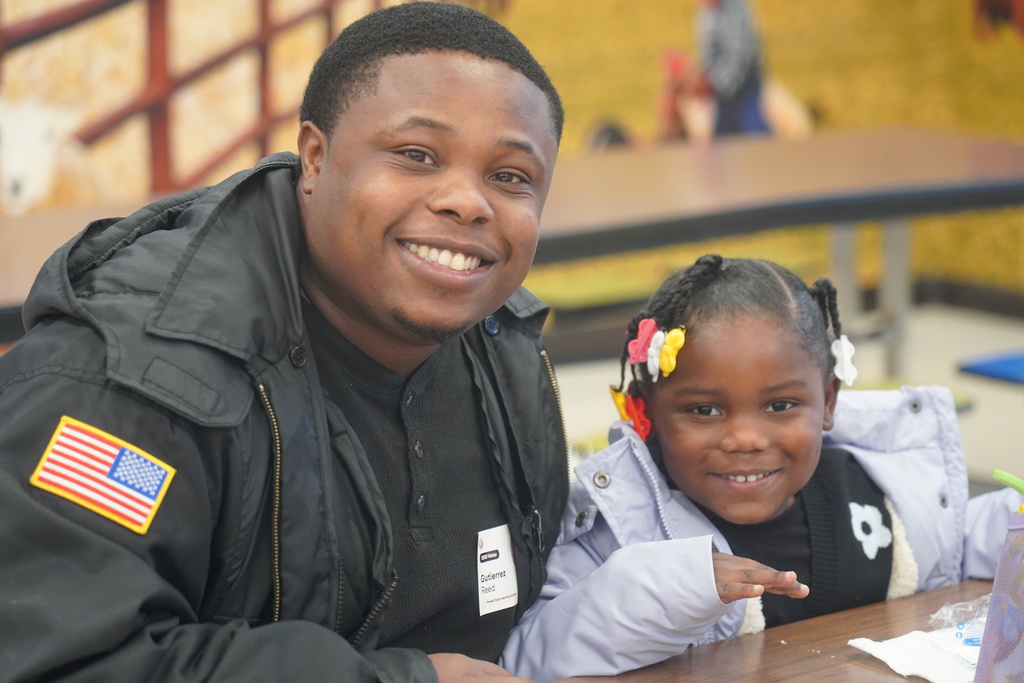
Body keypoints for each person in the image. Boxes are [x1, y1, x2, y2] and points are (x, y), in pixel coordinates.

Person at [0, 4, 570, 682]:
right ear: (315, 157)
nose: (467, 202)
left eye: (511, 177)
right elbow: (62, 660)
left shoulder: (507, 352)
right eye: (417, 155)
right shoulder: (129, 378)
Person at [500, 254, 1024, 681]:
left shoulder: (886, 492)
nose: (746, 439)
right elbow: (531, 657)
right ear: (646, 412)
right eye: (704, 410)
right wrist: (673, 586)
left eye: (779, 406)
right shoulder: (613, 532)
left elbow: (958, 543)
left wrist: (1012, 522)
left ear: (828, 401)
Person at [695, 0, 772, 137]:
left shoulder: (734, 9)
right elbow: (707, 51)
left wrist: (715, 81)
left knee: (752, 125)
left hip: (744, 79)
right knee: (723, 131)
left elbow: (740, 53)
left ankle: (770, 154)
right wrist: (705, 75)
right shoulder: (707, 14)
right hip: (722, 83)